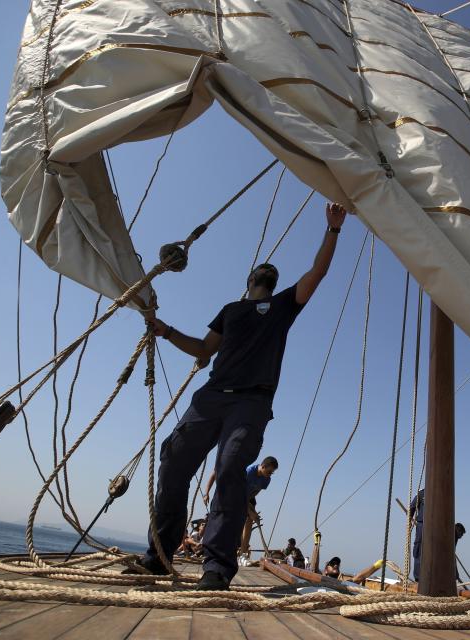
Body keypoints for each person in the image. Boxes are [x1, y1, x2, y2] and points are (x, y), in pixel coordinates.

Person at [131, 202, 350, 591]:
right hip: (212, 395)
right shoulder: (230, 310)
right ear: (251, 279)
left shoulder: (283, 306)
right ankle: (160, 557)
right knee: (174, 461)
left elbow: (317, 273)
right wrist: (165, 331)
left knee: (231, 470)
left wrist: (332, 230)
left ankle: (216, 568)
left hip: (251, 402)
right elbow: (203, 350)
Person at [203, 456, 278, 561]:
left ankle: (243, 553)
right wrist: (248, 508)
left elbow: (257, 491)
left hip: (248, 497)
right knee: (229, 522)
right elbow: (238, 492)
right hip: (235, 494)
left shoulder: (267, 479)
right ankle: (215, 549)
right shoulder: (249, 472)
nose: (270, 475)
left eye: (272, 473)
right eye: (269, 472)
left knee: (249, 521)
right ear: (263, 466)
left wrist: (250, 507)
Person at [408, 489, 424, 581]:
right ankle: (418, 578)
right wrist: (409, 519)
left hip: (437, 526)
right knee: (418, 550)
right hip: (422, 525)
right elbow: (412, 508)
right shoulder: (421, 493)